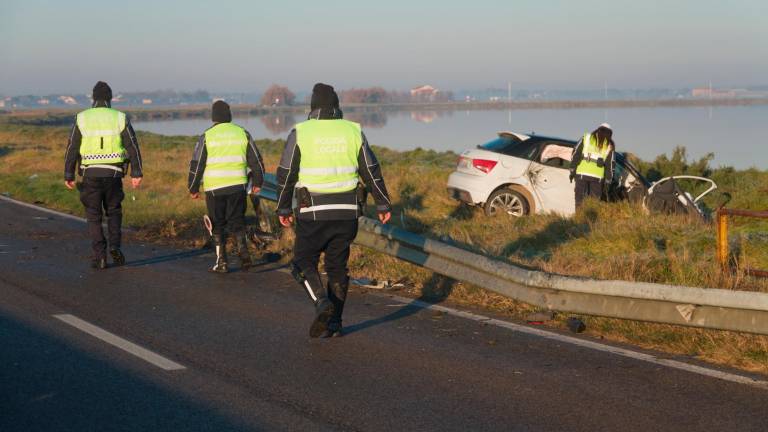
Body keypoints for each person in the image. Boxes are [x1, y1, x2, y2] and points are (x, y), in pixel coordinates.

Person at [276, 83, 392, 338]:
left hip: (313, 212)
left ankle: (321, 303)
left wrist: (282, 206)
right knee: (337, 268)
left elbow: (286, 174)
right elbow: (371, 169)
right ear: (337, 106)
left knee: (302, 262)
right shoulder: (353, 131)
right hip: (347, 212)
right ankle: (335, 323)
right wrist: (382, 202)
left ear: (313, 107)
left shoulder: (301, 132)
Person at [64, 81, 143, 269]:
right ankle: (115, 246)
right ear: (110, 98)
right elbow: (132, 145)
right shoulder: (120, 117)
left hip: (90, 174)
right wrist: (136, 172)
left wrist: (68, 173)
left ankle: (100, 256)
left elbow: (72, 148)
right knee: (114, 211)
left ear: (94, 98)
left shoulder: (81, 118)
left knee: (93, 215)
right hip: (114, 173)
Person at [188, 100, 265, 273]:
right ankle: (244, 254)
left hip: (214, 188)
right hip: (237, 186)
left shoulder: (207, 136)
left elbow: (197, 164)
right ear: (229, 116)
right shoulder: (242, 133)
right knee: (237, 220)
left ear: (213, 117)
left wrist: (193, 188)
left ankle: (221, 261)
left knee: (217, 224)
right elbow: (256, 161)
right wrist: (258, 182)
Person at [570, 123, 615, 208]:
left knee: (579, 201)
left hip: (582, 174)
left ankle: (578, 220)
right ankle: (590, 220)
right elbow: (610, 165)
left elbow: (575, 153)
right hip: (597, 178)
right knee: (593, 204)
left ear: (598, 130)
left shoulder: (586, 138)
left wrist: (572, 170)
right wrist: (608, 181)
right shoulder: (609, 145)